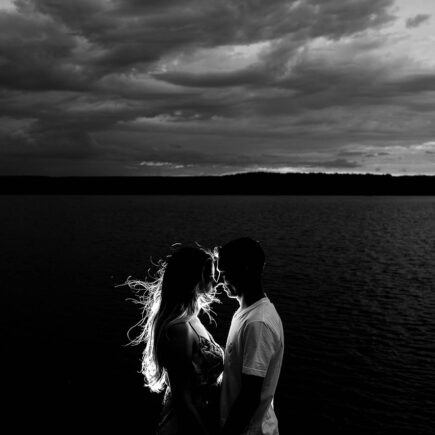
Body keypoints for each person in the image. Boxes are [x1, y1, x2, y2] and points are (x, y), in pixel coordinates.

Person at [127, 245, 224, 435]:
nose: (216, 280)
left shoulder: (192, 320)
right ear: (195, 279)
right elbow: (182, 399)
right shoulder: (179, 330)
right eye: (210, 274)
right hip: (186, 426)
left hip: (202, 417)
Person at [217, 238, 284, 435]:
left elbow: (250, 396)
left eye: (225, 274)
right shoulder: (246, 312)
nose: (221, 282)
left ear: (244, 270)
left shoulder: (258, 323)